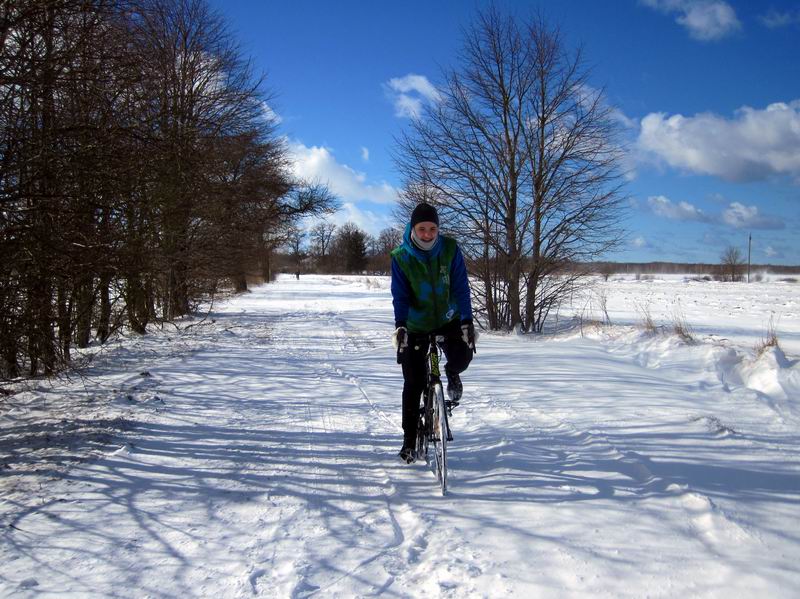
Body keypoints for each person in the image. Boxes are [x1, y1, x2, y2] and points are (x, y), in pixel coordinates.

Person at [391, 202, 476, 464]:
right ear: (413, 229)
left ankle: (450, 373)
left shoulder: (450, 249)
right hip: (416, 325)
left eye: (432, 228)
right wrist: (401, 325)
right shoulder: (401, 257)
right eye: (422, 228)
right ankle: (408, 440)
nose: (428, 234)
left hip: (447, 320)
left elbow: (461, 287)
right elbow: (400, 295)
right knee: (413, 383)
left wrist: (466, 320)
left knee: (463, 357)